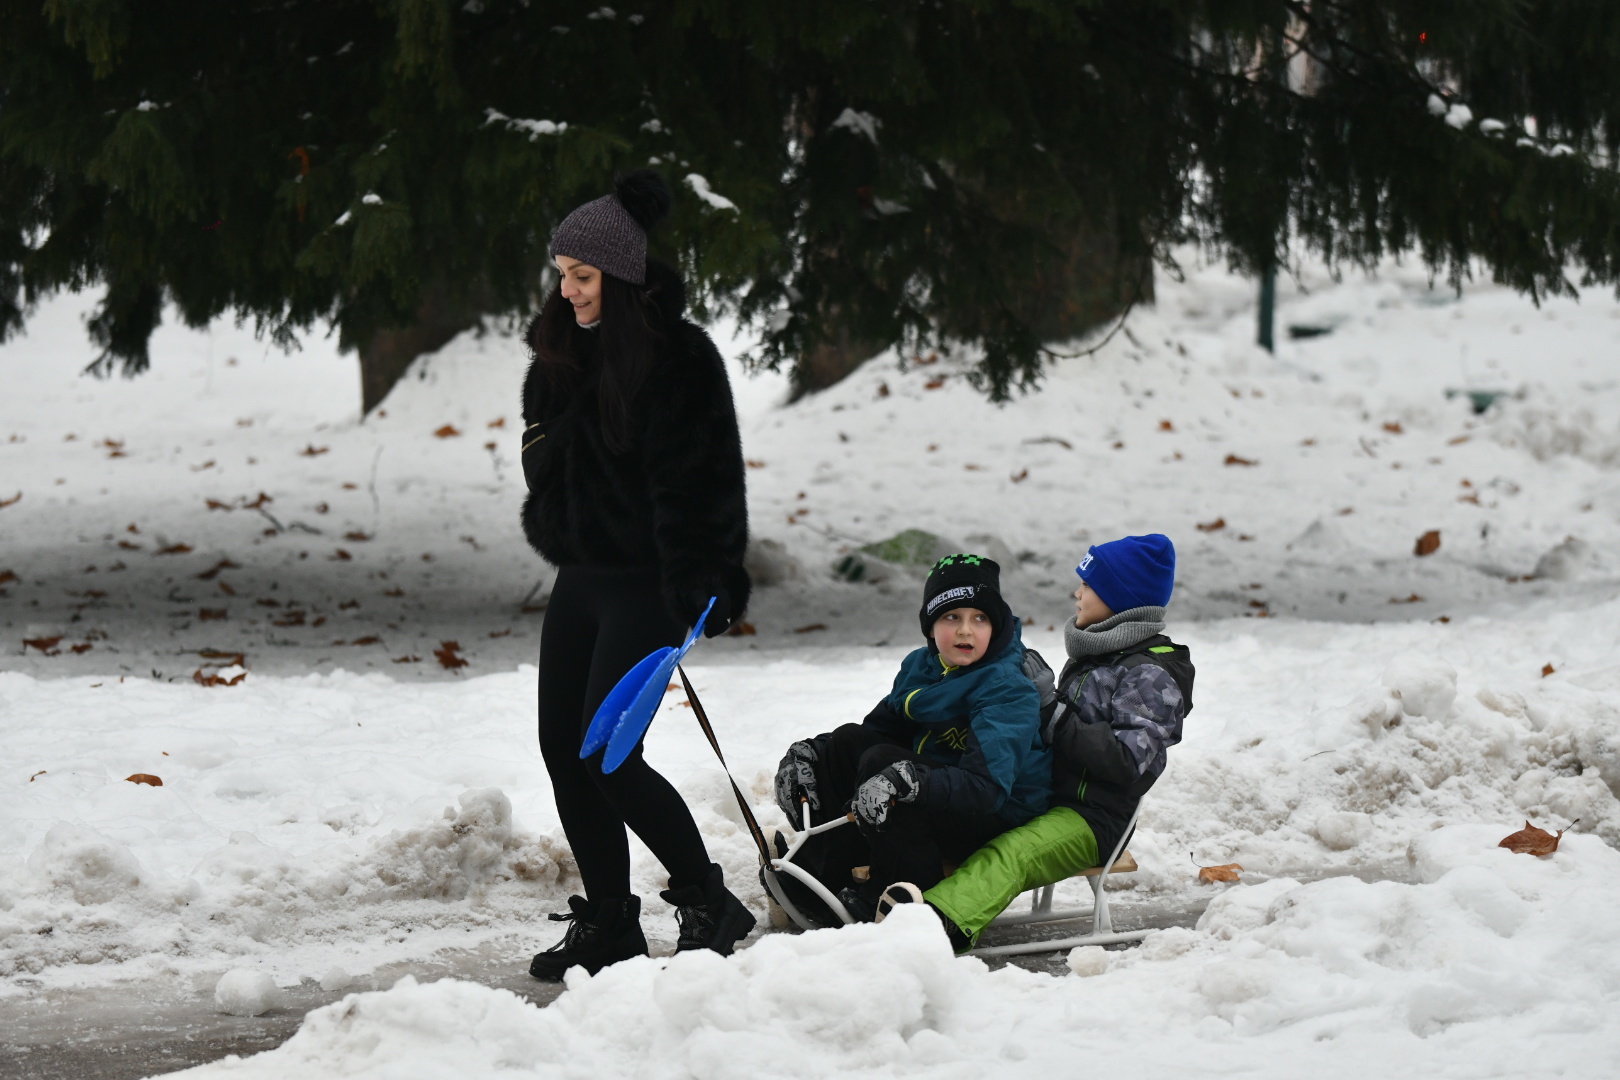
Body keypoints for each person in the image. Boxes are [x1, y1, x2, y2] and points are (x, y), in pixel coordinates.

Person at [520, 171, 755, 980]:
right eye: (562, 273)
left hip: (651, 583)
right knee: (562, 747)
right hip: (583, 578)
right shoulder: (560, 351)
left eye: (582, 276)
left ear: (619, 277)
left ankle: (706, 900)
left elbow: (707, 476)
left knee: (608, 754)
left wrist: (709, 574)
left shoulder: (679, 359)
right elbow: (542, 455)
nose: (568, 289)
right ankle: (612, 922)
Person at [912, 533, 1194, 951]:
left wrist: (1052, 709)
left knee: (1013, 852)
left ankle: (932, 928)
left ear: (1122, 598)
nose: (1077, 592)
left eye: (1089, 584)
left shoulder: (1151, 673)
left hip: (1092, 817)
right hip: (1047, 793)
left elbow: (1125, 761)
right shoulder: (1098, 652)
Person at [770, 554, 1052, 922]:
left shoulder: (1006, 688)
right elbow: (874, 732)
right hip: (940, 792)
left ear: (995, 627)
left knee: (882, 762)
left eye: (979, 618)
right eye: (952, 617)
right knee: (846, 742)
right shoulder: (921, 667)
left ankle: (897, 888)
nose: (966, 630)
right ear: (931, 625)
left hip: (996, 812)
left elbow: (987, 789)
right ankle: (822, 875)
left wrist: (909, 780)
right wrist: (811, 754)